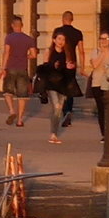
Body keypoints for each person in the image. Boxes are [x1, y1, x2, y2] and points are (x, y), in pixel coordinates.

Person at [41, 13, 87, 141]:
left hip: (63, 78)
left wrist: (69, 67)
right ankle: (55, 131)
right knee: (57, 106)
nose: (61, 42)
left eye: (63, 40)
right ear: (54, 39)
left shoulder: (66, 54)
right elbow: (81, 51)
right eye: (59, 39)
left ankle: (63, 115)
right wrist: (81, 67)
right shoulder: (49, 51)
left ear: (63, 19)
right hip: (51, 82)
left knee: (58, 107)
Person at [0, 17, 35, 127]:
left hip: (10, 68)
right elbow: (34, 55)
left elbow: (6, 53)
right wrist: (25, 56)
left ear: (12, 25)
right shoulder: (29, 39)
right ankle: (19, 120)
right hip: (22, 69)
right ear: (22, 25)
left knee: (7, 92)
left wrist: (3, 68)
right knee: (22, 96)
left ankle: (11, 111)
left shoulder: (9, 38)